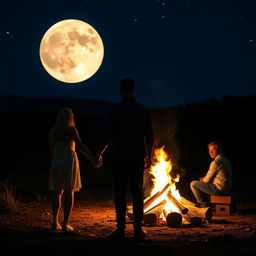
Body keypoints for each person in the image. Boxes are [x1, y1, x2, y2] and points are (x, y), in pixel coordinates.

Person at [95, 78, 154, 239]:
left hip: (119, 157)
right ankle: (138, 229)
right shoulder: (142, 110)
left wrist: (99, 153)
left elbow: (107, 136)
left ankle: (120, 229)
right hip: (136, 158)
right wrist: (149, 156)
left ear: (121, 90)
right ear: (134, 90)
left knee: (120, 193)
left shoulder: (115, 110)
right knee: (137, 193)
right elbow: (149, 137)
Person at [48, 107, 95, 232]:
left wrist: (57, 159)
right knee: (69, 192)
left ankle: (54, 222)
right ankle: (65, 223)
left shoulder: (53, 131)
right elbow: (80, 145)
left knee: (57, 192)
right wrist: (92, 157)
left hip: (57, 160)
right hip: (69, 160)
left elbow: (51, 150)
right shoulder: (71, 129)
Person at [190, 141, 232, 208]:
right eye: (210, 151)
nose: (211, 152)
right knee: (206, 185)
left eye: (213, 150)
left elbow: (206, 180)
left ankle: (202, 205)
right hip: (227, 189)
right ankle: (206, 203)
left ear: (219, 150)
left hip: (220, 190)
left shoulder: (216, 162)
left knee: (193, 184)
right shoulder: (225, 159)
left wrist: (202, 180)